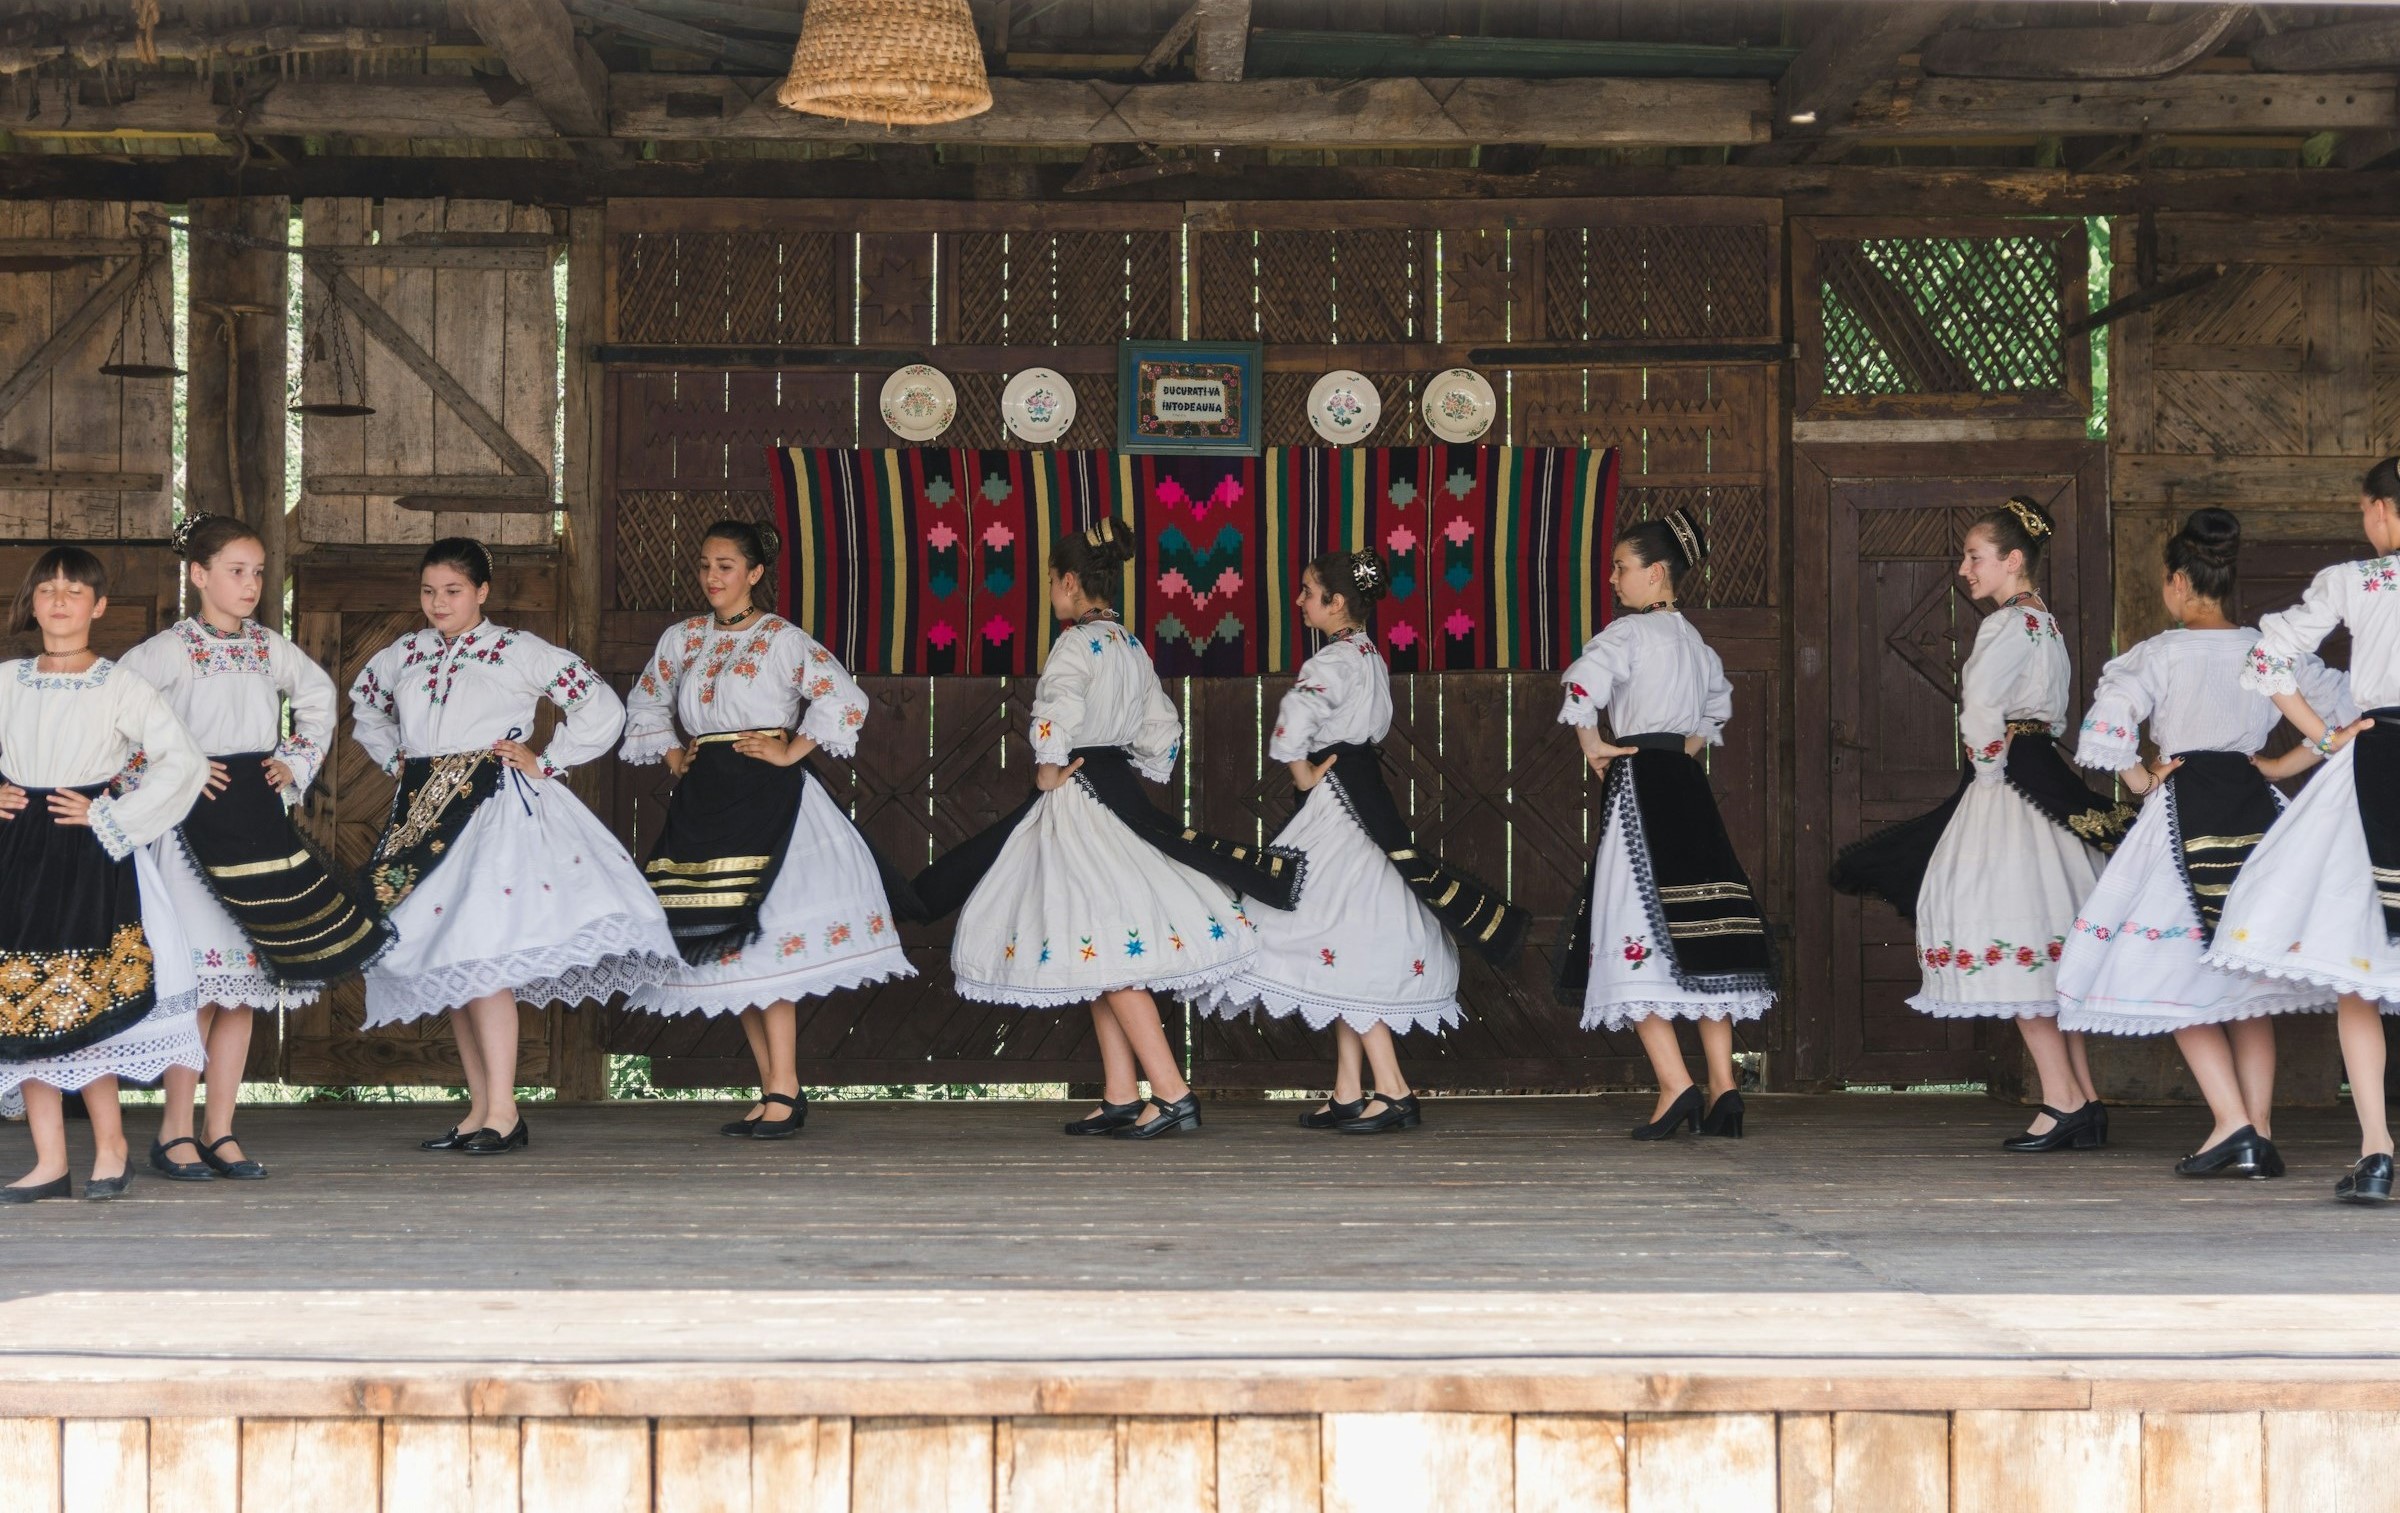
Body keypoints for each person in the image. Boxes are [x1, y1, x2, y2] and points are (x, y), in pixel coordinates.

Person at [914, 518, 1303, 1140]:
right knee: (1091, 943)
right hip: (1116, 789)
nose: (1049, 593)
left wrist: (1047, 766)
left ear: (1069, 583)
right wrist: (1136, 767)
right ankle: (1122, 1093)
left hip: (1081, 796)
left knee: (1104, 948)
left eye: (1049, 582)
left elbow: (1057, 706)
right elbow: (1160, 723)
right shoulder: (1128, 643)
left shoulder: (1074, 645)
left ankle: (1173, 1094)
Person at [350, 536, 678, 1155]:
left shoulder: (516, 650)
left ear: (482, 592)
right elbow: (365, 704)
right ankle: (480, 1109)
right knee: (449, 959)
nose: (438, 603)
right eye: (428, 591)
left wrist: (546, 760)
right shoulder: (406, 654)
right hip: (423, 817)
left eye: (452, 591)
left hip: (493, 811)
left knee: (481, 953)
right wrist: (396, 758)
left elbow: (598, 706)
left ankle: (504, 1110)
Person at [2054, 508, 2350, 1179]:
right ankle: (2259, 1131)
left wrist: (2139, 777)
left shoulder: (2160, 653)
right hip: (2256, 808)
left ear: (2181, 582)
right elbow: (2340, 717)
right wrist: (2280, 766)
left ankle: (2233, 1123)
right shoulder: (2267, 648)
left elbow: (2107, 726)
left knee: (2171, 978)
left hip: (2181, 805)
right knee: (2249, 984)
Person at [1834, 496, 2129, 1152]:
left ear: (2012, 560)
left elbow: (1981, 710)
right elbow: (2046, 720)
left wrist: (1988, 776)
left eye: (1976, 557)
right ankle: (2083, 1097)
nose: (1965, 569)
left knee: (2013, 940)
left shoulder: (2003, 628)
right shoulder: (2044, 625)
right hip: (2043, 782)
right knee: (2047, 951)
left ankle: (2061, 1099)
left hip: (2008, 788)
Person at [1199, 549, 1527, 1134]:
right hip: (1360, 803)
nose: (1299, 601)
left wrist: (1298, 769)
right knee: (1343, 939)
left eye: (1307, 591)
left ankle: (1394, 1090)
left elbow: (1296, 713)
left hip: (1339, 810)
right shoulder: (1368, 655)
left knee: (1330, 934)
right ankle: (1349, 1090)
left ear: (1338, 602)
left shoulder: (1334, 659)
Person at [619, 520, 916, 1140]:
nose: (712, 577)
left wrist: (791, 751)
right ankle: (776, 1088)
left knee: (762, 940)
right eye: (704, 565)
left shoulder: (780, 639)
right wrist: (676, 757)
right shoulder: (683, 638)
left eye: (726, 566)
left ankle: (783, 1089)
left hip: (766, 797)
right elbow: (645, 701)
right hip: (705, 799)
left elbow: (842, 696)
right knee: (730, 949)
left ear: (754, 574)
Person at [118, 514, 392, 1183]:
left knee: (242, 990)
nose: (250, 584)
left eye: (258, 572)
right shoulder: (168, 650)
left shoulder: (270, 647)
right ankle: (174, 1132)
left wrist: (293, 761)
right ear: (199, 574)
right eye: (236, 571)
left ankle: (221, 1129)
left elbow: (320, 696)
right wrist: (173, 764)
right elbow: (114, 709)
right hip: (194, 831)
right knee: (202, 988)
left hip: (256, 823)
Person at [2204, 457, 2400, 1204]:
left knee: (2361, 972)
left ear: (2382, 509)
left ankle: (2377, 1152)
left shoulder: (2356, 579)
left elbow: (2269, 654)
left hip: (2375, 757)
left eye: (2366, 509)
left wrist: (2325, 735)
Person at [1556, 506, 1777, 1140]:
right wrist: (1682, 753)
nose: (1616, 580)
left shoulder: (1625, 637)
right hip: (1686, 788)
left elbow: (1579, 690)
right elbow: (1715, 711)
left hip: (1641, 787)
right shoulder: (1695, 644)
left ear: (1656, 573)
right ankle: (1724, 1089)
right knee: (1702, 927)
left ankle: (1676, 1085)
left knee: (1630, 924)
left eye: (1622, 568)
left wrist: (1595, 746)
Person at [0, 547, 208, 1202]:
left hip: (87, 849)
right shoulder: (6, 679)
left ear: (98, 606)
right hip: (17, 852)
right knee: (22, 1000)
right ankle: (49, 1158)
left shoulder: (120, 685)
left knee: (84, 995)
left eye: (74, 589)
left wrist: (113, 816)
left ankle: (112, 1146)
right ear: (32, 603)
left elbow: (184, 761)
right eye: (48, 588)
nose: (59, 599)